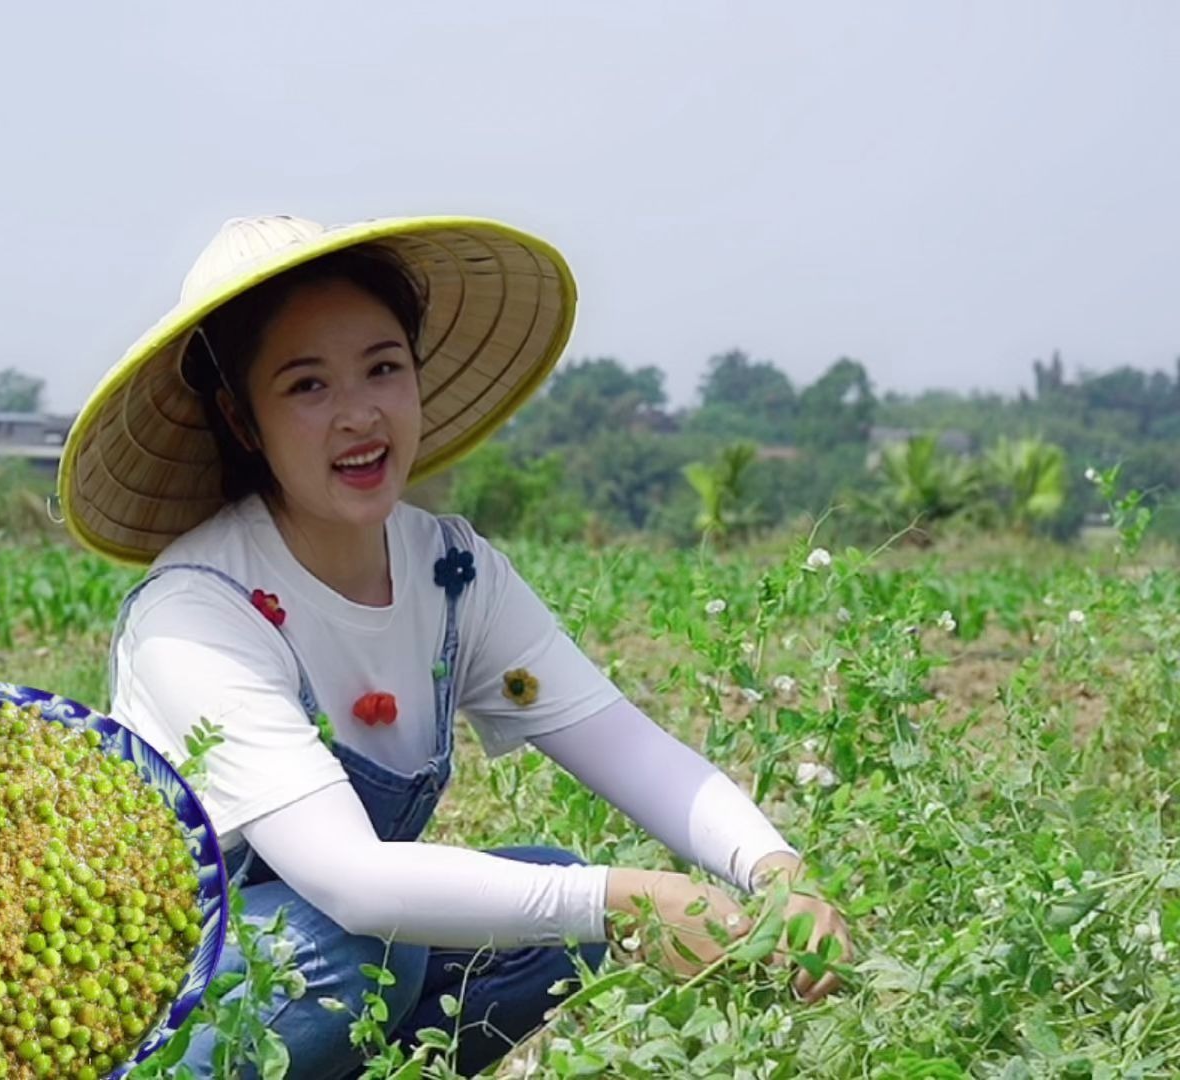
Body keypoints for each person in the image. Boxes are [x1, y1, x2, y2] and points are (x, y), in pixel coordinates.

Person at [57, 214, 853, 1079]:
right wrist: (626, 898)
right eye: (306, 386)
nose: (359, 414)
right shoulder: (196, 614)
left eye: (383, 368)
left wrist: (773, 869)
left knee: (547, 915)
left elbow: (623, 744)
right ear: (240, 419)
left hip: (344, 949)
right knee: (376, 947)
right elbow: (351, 880)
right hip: (178, 993)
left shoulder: (451, 572)